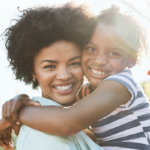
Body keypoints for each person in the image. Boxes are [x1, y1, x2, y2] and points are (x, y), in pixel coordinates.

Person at [1, 5, 150, 150]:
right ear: (31, 70)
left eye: (114, 53)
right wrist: (21, 100)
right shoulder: (90, 91)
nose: (98, 60)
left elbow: (68, 122)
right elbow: (58, 109)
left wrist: (18, 114)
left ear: (131, 59)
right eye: (91, 49)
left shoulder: (120, 85)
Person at [0, 3, 104, 150]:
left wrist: (19, 109)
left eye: (74, 63)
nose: (64, 75)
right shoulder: (41, 134)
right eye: (50, 66)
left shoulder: (89, 107)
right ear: (33, 71)